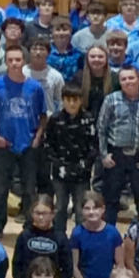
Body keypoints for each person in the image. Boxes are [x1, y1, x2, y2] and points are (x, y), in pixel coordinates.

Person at [0, 45, 49, 233]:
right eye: (11, 60)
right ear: (6, 62)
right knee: (0, 189)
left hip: (27, 145)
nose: (14, 63)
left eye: (18, 60)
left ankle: (31, 226)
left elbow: (43, 115)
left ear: (24, 61)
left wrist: (38, 137)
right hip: (4, 144)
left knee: (29, 189)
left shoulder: (35, 87)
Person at [48, 86, 97, 227]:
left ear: (81, 101)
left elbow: (94, 145)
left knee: (81, 209)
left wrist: (85, 164)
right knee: (60, 207)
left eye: (75, 100)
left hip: (82, 174)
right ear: (62, 100)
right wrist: (59, 164)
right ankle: (59, 238)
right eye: (68, 100)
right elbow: (49, 145)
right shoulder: (55, 119)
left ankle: (81, 239)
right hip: (60, 173)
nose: (72, 103)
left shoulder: (88, 120)